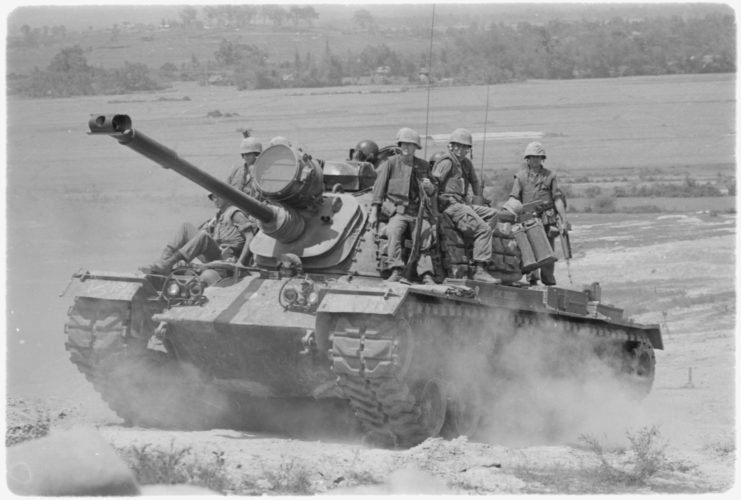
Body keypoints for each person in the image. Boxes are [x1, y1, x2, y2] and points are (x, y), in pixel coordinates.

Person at [370, 127, 437, 284]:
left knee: (425, 235)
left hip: (418, 212)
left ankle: (426, 274)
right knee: (394, 232)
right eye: (403, 144)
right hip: (398, 212)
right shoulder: (391, 164)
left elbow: (433, 191)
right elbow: (379, 188)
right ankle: (397, 270)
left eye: (410, 145)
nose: (406, 148)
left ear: (416, 147)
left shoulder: (424, 166)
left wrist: (430, 187)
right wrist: (374, 211)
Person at [432, 128, 500, 283]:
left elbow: (475, 181)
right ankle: (480, 269)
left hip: (463, 204)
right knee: (484, 229)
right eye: (458, 146)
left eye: (465, 147)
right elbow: (434, 184)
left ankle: (475, 245)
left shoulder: (466, 164)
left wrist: (479, 198)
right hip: (450, 205)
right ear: (451, 146)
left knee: (492, 214)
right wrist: (435, 209)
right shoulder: (447, 163)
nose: (461, 150)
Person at [143, 193, 256, 274]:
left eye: (218, 197)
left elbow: (250, 237)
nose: (215, 200)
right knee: (186, 227)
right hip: (215, 253)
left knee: (203, 236)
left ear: (226, 197)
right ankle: (164, 261)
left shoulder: (235, 213)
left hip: (226, 258)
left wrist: (241, 263)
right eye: (213, 197)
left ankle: (169, 263)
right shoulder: (218, 216)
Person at [508, 141, 568, 285]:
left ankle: (548, 279)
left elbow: (557, 199)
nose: (535, 160)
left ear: (542, 159)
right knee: (529, 250)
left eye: (538, 157)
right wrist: (510, 215)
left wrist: (564, 221)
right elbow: (514, 198)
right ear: (527, 158)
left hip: (547, 218)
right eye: (532, 157)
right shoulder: (520, 177)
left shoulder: (550, 176)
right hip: (527, 219)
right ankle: (532, 279)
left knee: (547, 250)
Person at [227, 135, 263, 200]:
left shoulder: (263, 172)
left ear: (256, 154)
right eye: (244, 154)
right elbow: (227, 187)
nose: (246, 156)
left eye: (249, 154)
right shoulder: (236, 171)